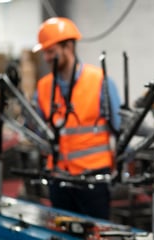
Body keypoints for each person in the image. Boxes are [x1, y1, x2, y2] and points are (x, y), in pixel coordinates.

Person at [31, 17, 121, 219]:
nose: (46, 58)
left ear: (68, 46)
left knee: (96, 232)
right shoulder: (44, 87)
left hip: (93, 180)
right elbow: (39, 130)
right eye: (44, 52)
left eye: (51, 52)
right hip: (58, 179)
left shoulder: (99, 81)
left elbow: (119, 126)